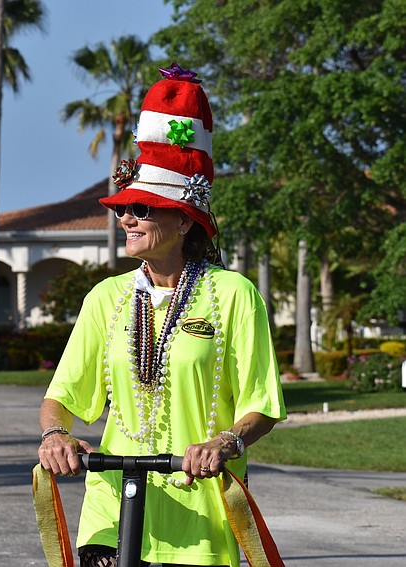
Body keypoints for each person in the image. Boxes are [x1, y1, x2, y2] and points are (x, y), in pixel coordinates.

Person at [37, 64, 286, 567]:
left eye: (144, 209)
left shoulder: (234, 294)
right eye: (124, 209)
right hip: (112, 508)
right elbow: (61, 397)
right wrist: (54, 434)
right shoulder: (105, 297)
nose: (127, 218)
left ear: (183, 220)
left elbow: (262, 402)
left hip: (201, 511)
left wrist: (225, 440)